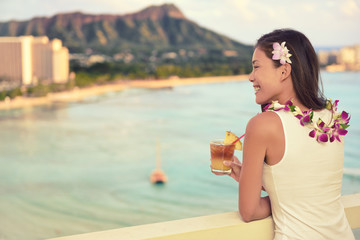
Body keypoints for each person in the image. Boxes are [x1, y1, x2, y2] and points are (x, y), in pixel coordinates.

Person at [219, 29, 354, 239]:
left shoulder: (262, 125)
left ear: (283, 71)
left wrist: (254, 184)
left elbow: (249, 212)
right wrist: (268, 185)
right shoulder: (332, 119)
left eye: (256, 67)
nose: (250, 77)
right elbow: (310, 184)